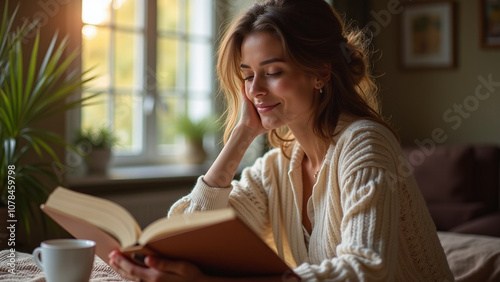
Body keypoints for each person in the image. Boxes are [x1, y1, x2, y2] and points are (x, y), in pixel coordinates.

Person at [109, 0, 454, 281]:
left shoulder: (365, 144)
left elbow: (365, 269)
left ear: (321, 73)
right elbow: (183, 234)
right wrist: (240, 137)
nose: (255, 90)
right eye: (247, 76)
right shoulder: (278, 166)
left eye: (273, 73)